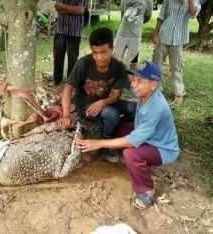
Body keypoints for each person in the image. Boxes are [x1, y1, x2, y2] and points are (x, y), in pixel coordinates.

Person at [77, 61, 180, 210]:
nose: (134, 85)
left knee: (131, 153)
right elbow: (126, 83)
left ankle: (146, 190)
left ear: (153, 85)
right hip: (148, 137)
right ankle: (137, 163)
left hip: (163, 148)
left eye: (140, 81)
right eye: (134, 79)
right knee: (120, 128)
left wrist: (98, 143)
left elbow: (131, 141)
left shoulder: (157, 108)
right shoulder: (143, 91)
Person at [59, 27, 136, 163]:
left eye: (103, 52)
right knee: (111, 114)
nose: (99, 57)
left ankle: (117, 133)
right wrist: (65, 114)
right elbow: (68, 88)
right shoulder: (83, 63)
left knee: (135, 109)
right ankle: (106, 142)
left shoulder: (118, 67)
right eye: (95, 53)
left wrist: (102, 103)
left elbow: (116, 96)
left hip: (103, 101)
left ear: (112, 50)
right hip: (84, 103)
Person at [152, 0, 201, 104]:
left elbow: (192, 14)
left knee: (176, 67)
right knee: (157, 64)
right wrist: (155, 34)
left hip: (178, 38)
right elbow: (161, 16)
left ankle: (179, 93)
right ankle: (156, 91)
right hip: (164, 35)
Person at [50, 0, 90, 87]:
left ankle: (70, 82)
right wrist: (73, 10)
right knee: (58, 57)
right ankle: (56, 79)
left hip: (74, 32)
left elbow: (81, 10)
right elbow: (57, 7)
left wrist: (64, 7)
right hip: (60, 30)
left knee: (72, 59)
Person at [114, 0, 153, 70]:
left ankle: (132, 81)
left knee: (133, 62)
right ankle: (117, 79)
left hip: (135, 36)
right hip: (122, 34)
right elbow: (122, 13)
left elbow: (147, 17)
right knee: (115, 60)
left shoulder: (148, 0)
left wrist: (137, 23)